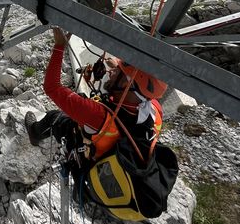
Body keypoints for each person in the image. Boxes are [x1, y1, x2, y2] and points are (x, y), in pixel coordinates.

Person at [25, 27, 167, 170]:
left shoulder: (96, 114)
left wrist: (59, 46)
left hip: (92, 157)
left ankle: (34, 134)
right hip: (117, 151)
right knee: (81, 99)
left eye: (117, 72)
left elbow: (52, 87)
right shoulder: (154, 107)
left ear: (126, 83)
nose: (111, 72)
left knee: (54, 118)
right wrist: (120, 68)